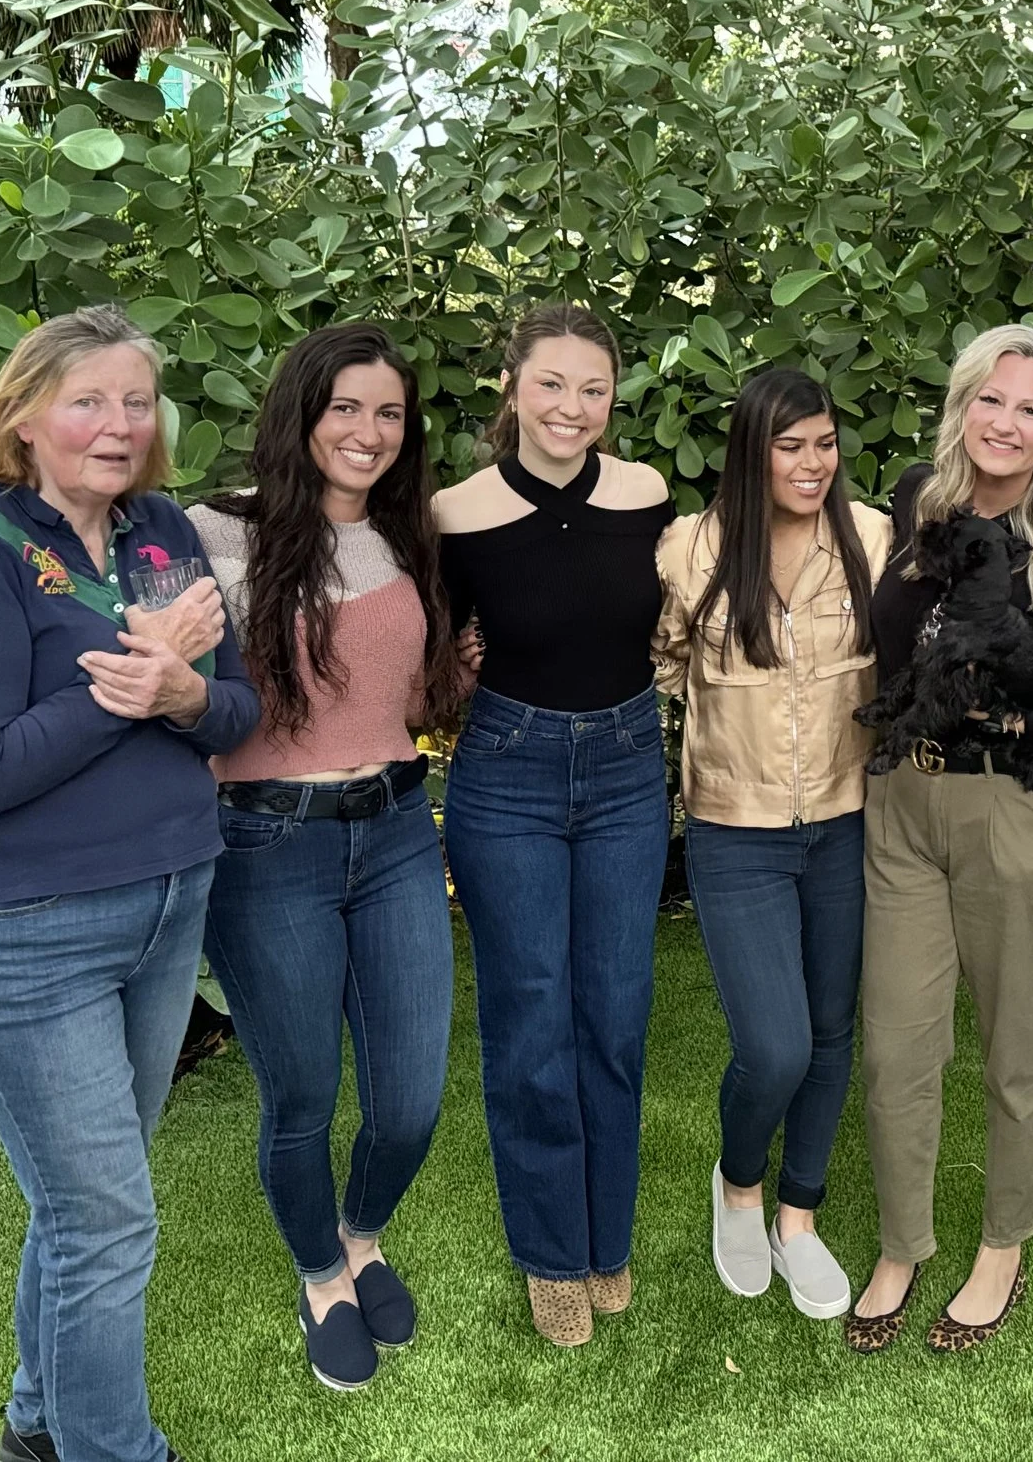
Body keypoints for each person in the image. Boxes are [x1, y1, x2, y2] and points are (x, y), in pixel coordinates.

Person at [0, 305, 258, 1462]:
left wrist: (187, 694)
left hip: (166, 904)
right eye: (87, 401)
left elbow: (235, 711)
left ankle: (38, 1425)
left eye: (136, 402)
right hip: (22, 929)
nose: (118, 424)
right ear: (26, 418)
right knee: (104, 1217)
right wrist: (139, 682)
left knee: (85, 1200)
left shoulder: (160, 535)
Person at [844, 323, 1033, 1355]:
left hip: (1011, 813)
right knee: (895, 1047)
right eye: (993, 400)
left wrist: (1009, 721)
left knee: (1017, 1049)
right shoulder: (913, 509)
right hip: (898, 814)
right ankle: (901, 1240)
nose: (1007, 423)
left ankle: (1004, 1245)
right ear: (963, 403)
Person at [188, 324, 470, 1391]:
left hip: (398, 832)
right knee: (301, 1096)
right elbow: (189, 695)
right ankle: (321, 1275)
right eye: (345, 407)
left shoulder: (410, 539)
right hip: (265, 847)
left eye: (388, 413)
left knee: (408, 1100)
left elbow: (404, 697)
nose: (367, 431)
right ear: (301, 412)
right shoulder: (215, 533)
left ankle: (362, 1231)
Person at [434, 303, 677, 1347]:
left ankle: (603, 1237)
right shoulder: (457, 513)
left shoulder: (646, 496)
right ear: (512, 388)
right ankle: (548, 1254)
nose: (572, 407)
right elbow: (433, 661)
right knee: (531, 1023)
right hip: (508, 777)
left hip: (627, 769)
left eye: (593, 387)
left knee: (615, 1016)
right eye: (551, 384)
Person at [652, 368, 889, 1323]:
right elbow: (661, 668)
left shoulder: (872, 537)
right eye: (789, 445)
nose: (811, 462)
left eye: (824, 442)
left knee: (831, 1032)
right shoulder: (690, 549)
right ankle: (738, 1184)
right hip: (732, 828)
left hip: (845, 821)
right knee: (776, 1043)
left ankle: (798, 1214)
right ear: (752, 450)